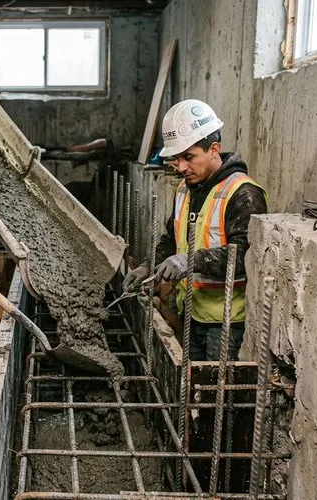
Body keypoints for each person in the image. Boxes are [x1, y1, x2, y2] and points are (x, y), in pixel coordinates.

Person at [124, 99, 267, 361]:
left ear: (213, 149)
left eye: (188, 157)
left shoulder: (243, 194)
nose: (181, 167)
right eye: (177, 159)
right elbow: (171, 240)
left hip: (225, 322)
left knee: (215, 395)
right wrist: (148, 266)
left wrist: (190, 261)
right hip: (190, 310)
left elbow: (246, 256)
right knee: (191, 390)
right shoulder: (185, 189)